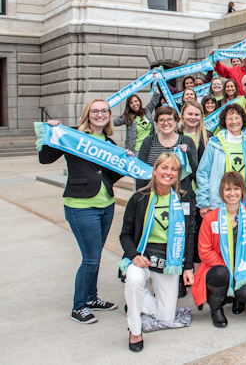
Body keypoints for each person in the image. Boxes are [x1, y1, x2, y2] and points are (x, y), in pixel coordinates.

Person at [39, 100, 125, 324]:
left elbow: (110, 176)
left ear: (108, 115)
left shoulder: (109, 142)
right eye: (95, 111)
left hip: (106, 204)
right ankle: (79, 307)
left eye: (104, 111)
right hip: (80, 206)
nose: (99, 115)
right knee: (90, 258)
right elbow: (45, 158)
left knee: (95, 256)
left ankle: (91, 298)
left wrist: (124, 162)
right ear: (87, 115)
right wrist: (52, 132)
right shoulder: (71, 135)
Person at [120, 153, 195, 352]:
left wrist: (187, 267)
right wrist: (134, 255)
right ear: (154, 170)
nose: (168, 173)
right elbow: (125, 235)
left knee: (166, 317)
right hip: (142, 257)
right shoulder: (139, 198)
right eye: (164, 168)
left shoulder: (183, 198)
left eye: (173, 169)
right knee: (134, 281)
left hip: (169, 261)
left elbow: (188, 233)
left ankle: (135, 299)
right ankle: (135, 330)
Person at [192, 172, 246, 328]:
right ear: (222, 192)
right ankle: (216, 309)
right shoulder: (211, 217)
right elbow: (204, 250)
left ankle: (237, 298)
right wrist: (228, 267)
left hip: (243, 267)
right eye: (228, 189)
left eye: (236, 189)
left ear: (242, 191)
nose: (232, 193)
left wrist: (245, 265)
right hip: (218, 268)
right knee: (221, 274)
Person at [196, 104, 246, 214]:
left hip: (244, 202)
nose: (233, 121)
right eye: (229, 118)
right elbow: (202, 173)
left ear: (243, 120)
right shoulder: (214, 143)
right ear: (224, 122)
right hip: (218, 201)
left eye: (237, 117)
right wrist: (203, 202)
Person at [136, 106, 198, 193]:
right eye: (161, 120)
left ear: (176, 121)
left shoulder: (186, 141)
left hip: (180, 194)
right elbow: (141, 170)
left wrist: (189, 153)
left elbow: (195, 172)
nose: (166, 123)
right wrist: (140, 194)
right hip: (153, 194)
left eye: (169, 119)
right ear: (156, 123)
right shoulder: (149, 141)